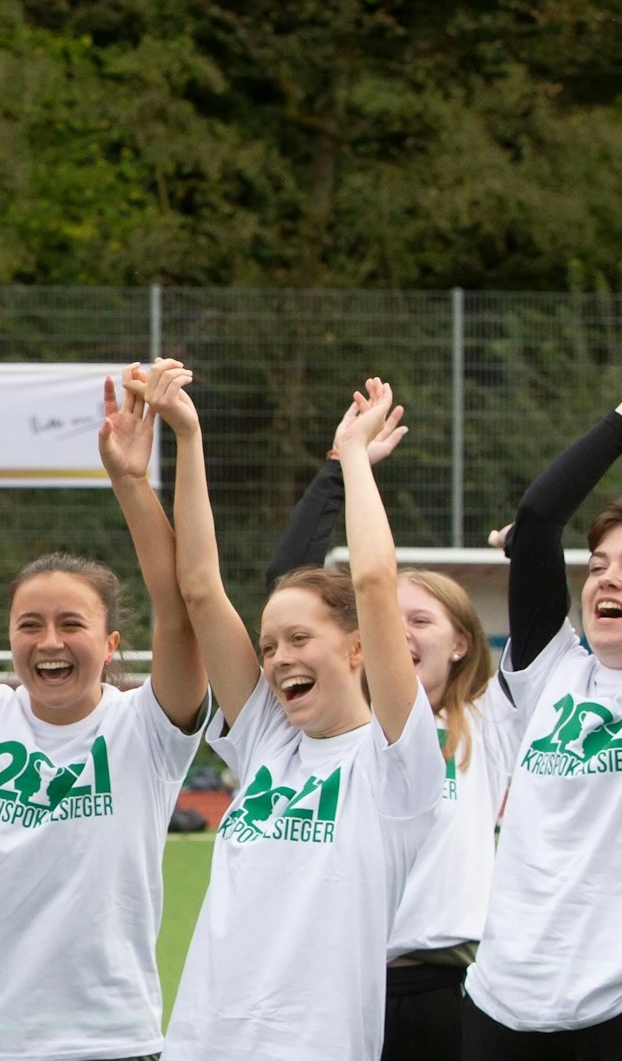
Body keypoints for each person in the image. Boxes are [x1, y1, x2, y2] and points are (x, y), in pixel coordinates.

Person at [0, 369, 210, 1061]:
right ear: (10, 638)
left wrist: (130, 480)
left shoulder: (146, 730)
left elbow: (181, 616)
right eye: (30, 623)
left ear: (112, 642)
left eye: (72, 623)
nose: (51, 641)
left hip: (109, 1042)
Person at [158, 364, 443, 1061]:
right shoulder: (268, 745)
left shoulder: (396, 766)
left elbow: (374, 581)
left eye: (299, 639)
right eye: (268, 644)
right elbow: (198, 588)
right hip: (202, 1042)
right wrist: (188, 437)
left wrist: (352, 460)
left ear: (355, 648)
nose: (278, 657)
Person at [464, 344, 622, 1059]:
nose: (608, 579)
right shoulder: (552, 668)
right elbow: (539, 518)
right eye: (600, 565)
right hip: (504, 1000)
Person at [265, 420, 517, 1061]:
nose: (398, 632)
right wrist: (337, 470)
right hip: (337, 980)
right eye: (388, 618)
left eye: (421, 620)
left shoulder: (490, 723)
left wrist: (532, 548)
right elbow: (288, 581)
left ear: (462, 642)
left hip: (445, 984)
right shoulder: (347, 728)